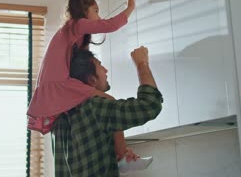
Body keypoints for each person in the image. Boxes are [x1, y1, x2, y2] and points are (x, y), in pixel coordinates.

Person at [26, 0, 139, 164]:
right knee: (110, 102)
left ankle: (119, 154)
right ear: (84, 12)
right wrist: (130, 7)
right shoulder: (76, 25)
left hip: (60, 84)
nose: (98, 16)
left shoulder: (73, 35)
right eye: (95, 10)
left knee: (99, 111)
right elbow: (110, 25)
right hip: (62, 85)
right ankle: (122, 156)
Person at [52, 46, 163, 176]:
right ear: (92, 80)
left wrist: (115, 154)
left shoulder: (59, 119)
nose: (106, 70)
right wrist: (142, 63)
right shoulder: (93, 108)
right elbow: (150, 105)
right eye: (100, 65)